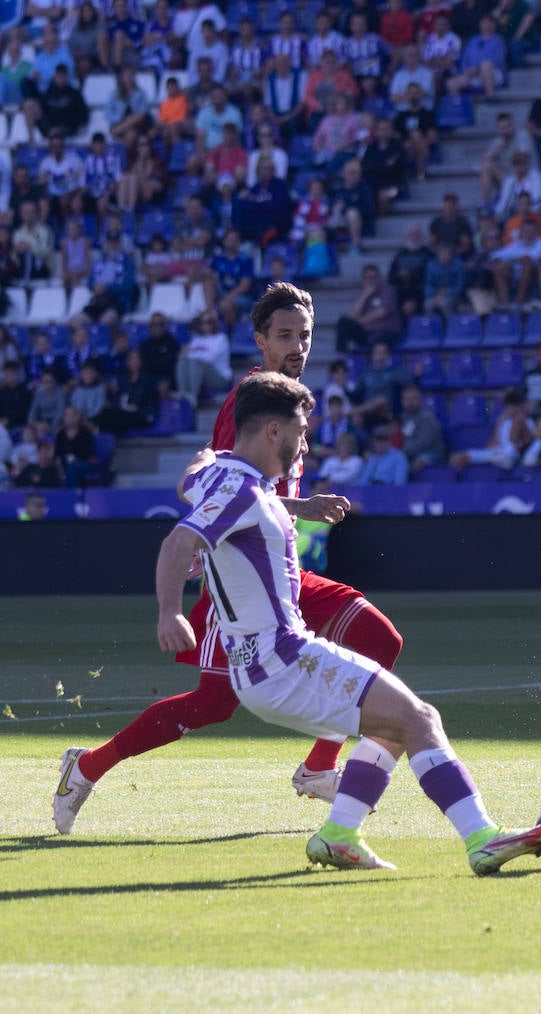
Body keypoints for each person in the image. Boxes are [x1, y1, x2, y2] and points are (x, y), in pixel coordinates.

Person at [126, 371, 541, 871]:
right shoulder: (243, 492)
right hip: (282, 659)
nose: (304, 441)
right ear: (273, 431)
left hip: (262, 664)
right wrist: (169, 611)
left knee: (393, 725)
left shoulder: (225, 475)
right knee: (421, 719)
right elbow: (178, 541)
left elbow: (192, 476)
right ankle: (481, 838)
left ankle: (339, 834)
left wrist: (208, 460)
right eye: (300, 430)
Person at [52, 283, 407, 835]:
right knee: (213, 705)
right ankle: (88, 765)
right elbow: (219, 487)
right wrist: (298, 507)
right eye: (284, 335)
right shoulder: (248, 402)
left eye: (304, 335)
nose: (297, 345)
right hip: (240, 581)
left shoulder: (291, 400)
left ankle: (319, 768)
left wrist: (298, 506)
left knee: (380, 640)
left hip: (285, 574)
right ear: (260, 339)